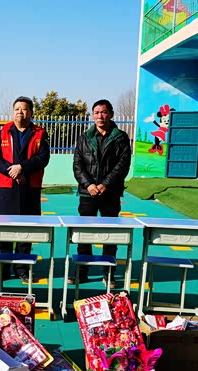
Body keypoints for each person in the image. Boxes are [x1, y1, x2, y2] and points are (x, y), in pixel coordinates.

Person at [71, 99, 132, 287]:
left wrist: (105, 185)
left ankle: (109, 273)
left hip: (110, 194)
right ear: (92, 115)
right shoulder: (84, 137)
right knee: (84, 234)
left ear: (111, 114)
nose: (100, 116)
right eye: (96, 113)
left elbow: (122, 165)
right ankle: (82, 271)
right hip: (87, 193)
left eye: (104, 112)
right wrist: (89, 185)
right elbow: (78, 165)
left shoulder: (120, 137)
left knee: (110, 234)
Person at [0, 96, 50, 282]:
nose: (20, 112)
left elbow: (43, 158)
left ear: (31, 112)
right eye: (17, 109)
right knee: (4, 231)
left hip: (30, 188)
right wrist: (12, 171)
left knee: (26, 231)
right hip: (8, 188)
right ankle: (2, 269)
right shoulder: (4, 132)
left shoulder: (40, 133)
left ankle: (22, 269)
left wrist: (22, 167)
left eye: (24, 109)